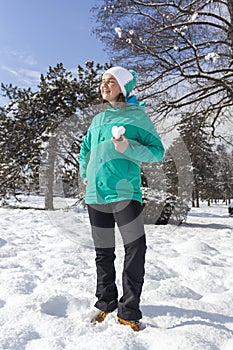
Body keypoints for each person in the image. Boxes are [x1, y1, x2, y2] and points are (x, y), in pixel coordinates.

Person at [79, 66, 165, 331]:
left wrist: (129, 147)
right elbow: (85, 149)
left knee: (135, 249)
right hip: (96, 194)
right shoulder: (97, 121)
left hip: (125, 193)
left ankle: (129, 310)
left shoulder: (138, 117)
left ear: (124, 87)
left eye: (111, 81)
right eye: (103, 81)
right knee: (103, 252)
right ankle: (106, 302)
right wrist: (85, 173)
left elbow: (157, 152)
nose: (105, 85)